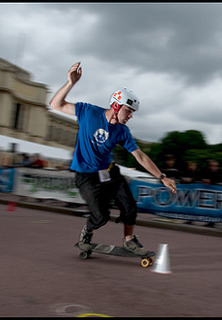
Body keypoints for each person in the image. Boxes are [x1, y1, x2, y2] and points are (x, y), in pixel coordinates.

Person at [49, 61, 177, 255]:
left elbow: (140, 156)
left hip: (109, 172)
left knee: (130, 207)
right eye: (128, 111)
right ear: (116, 106)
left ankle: (129, 240)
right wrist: (71, 83)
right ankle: (87, 232)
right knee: (101, 216)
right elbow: (55, 104)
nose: (130, 116)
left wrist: (162, 177)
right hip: (86, 176)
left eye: (132, 113)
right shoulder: (88, 112)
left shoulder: (122, 131)